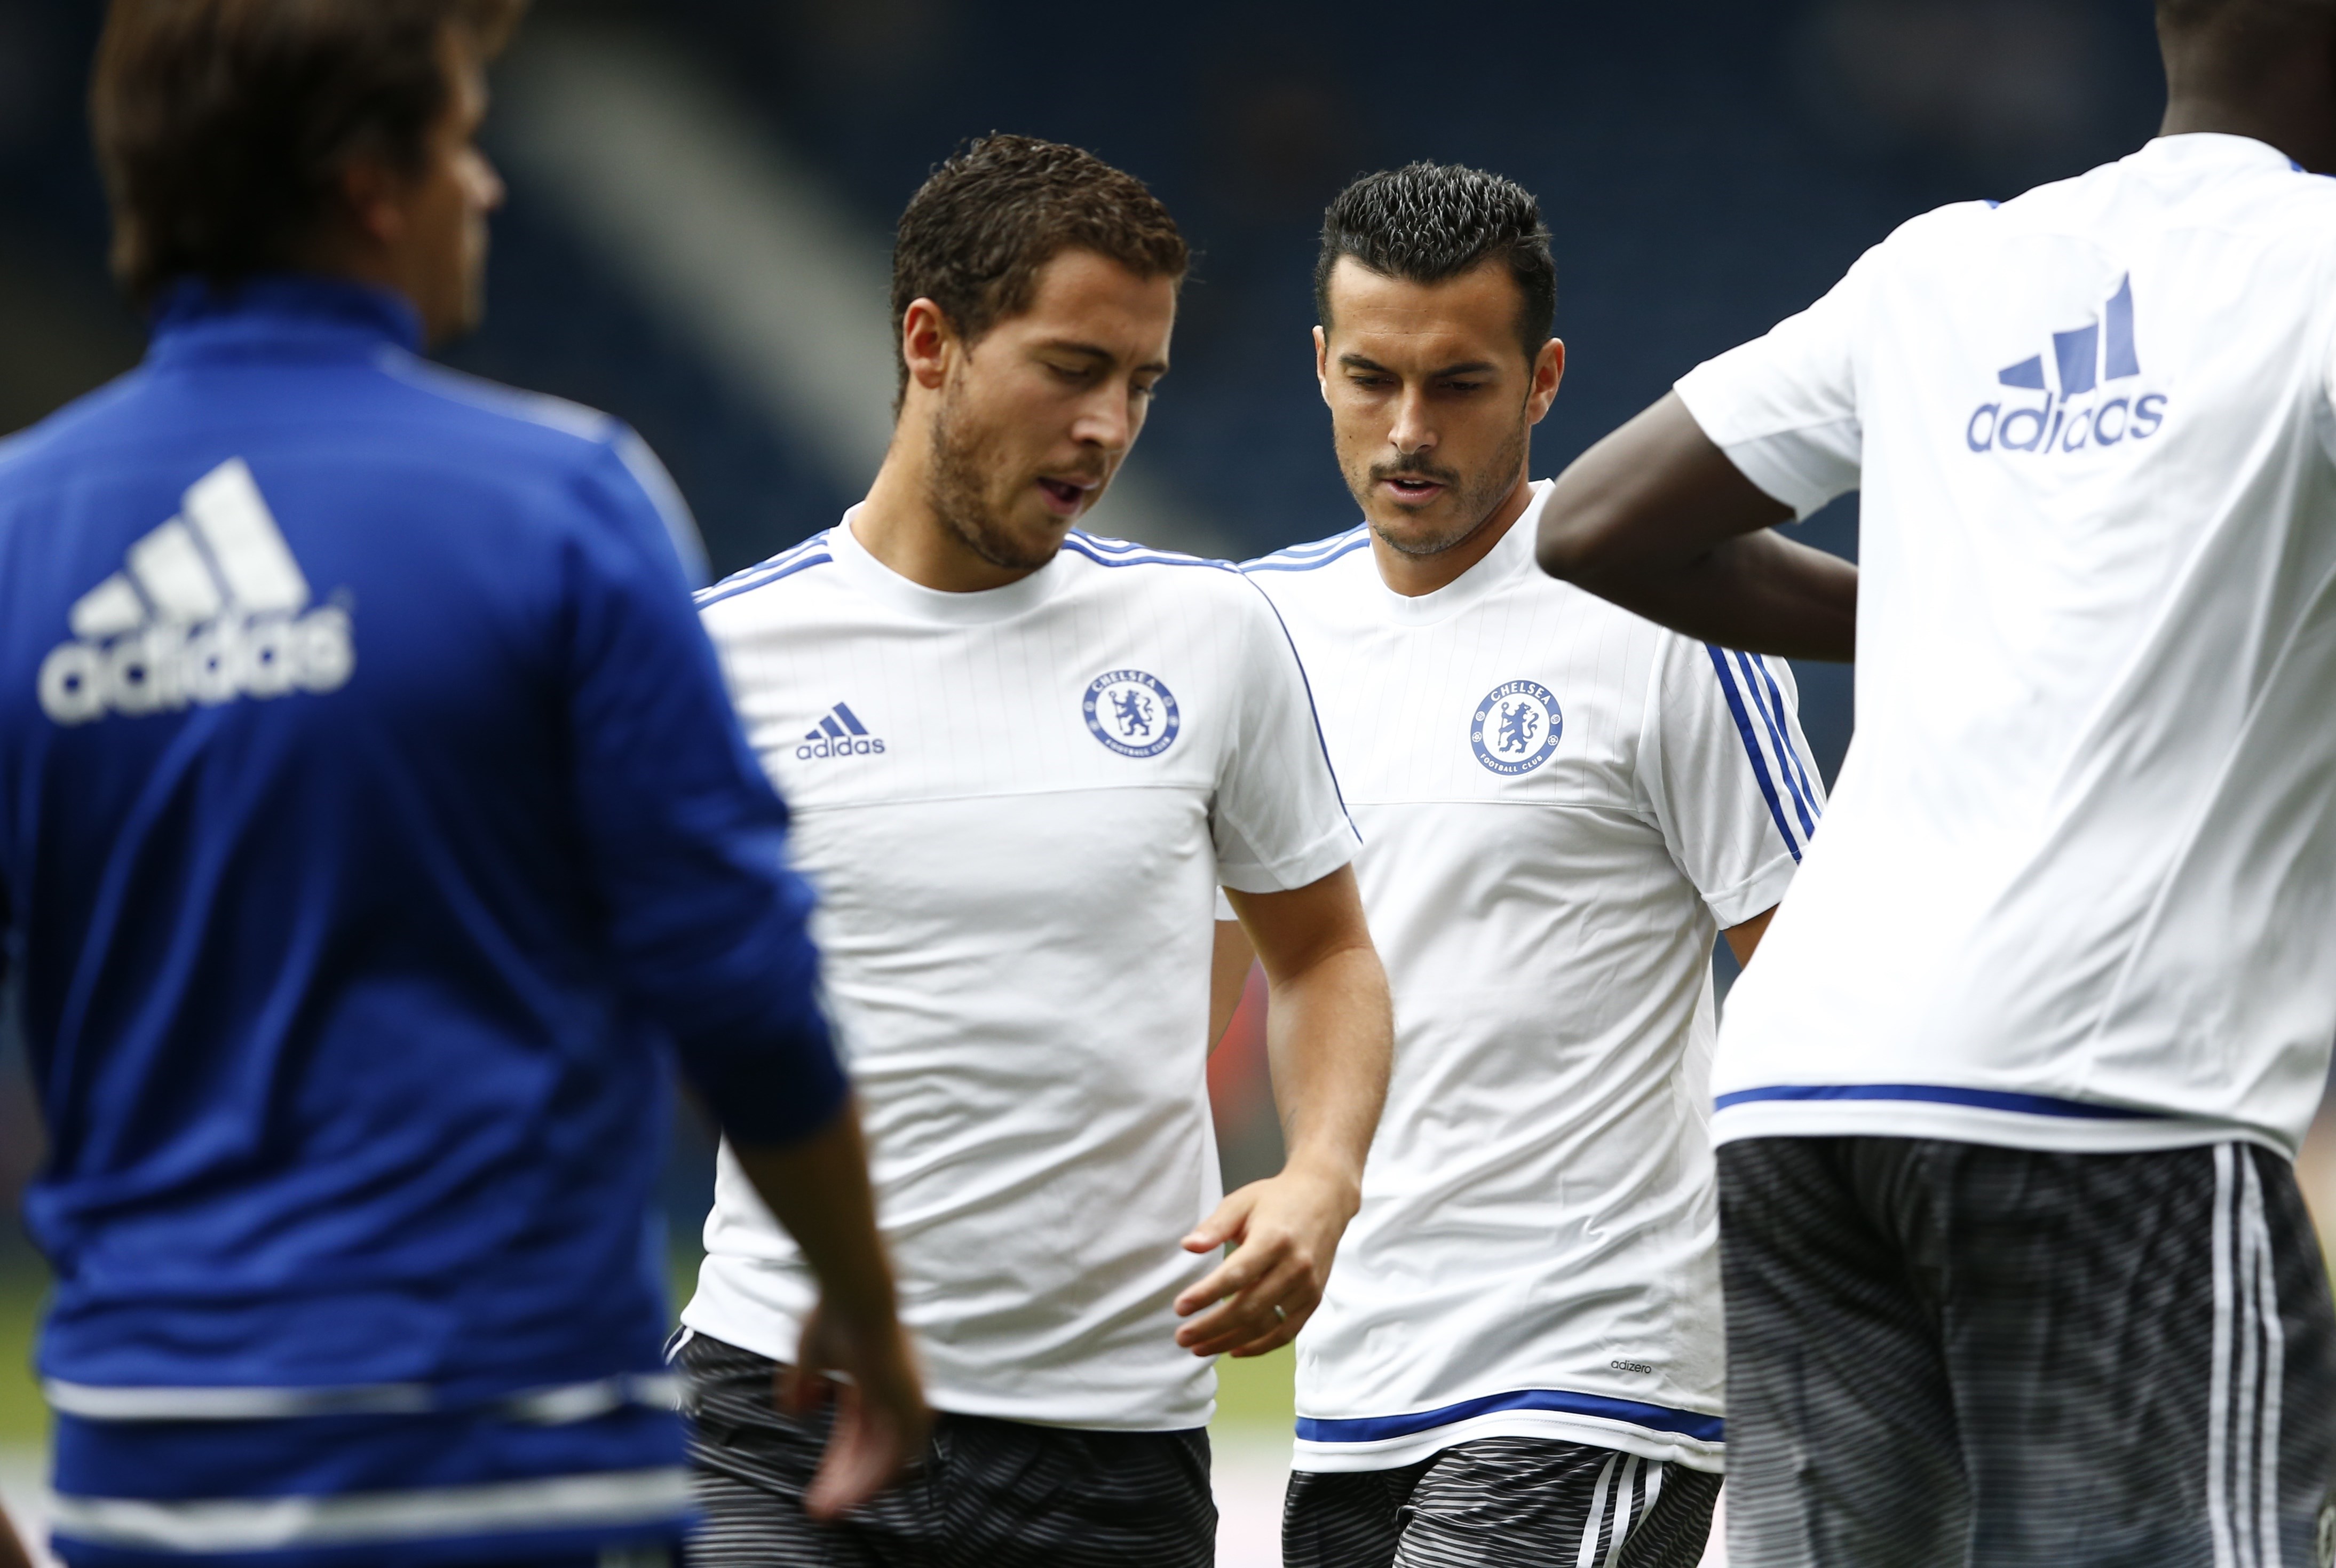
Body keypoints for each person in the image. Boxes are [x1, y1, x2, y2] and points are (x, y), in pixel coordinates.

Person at [0, 3, 924, 1564]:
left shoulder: (20, 537)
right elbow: (736, 978)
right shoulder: (563, 504)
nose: (485, 187)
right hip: (517, 1471)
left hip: (147, 1480)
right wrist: (870, 1311)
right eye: (459, 139)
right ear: (371, 183)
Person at [1533, 0, 2336, 1561]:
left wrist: (1953, 610)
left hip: (1802, 1093)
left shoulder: (1944, 266)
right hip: (2114, 1098)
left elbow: (1595, 522)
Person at [674, 133, 1395, 1567]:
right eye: (1072, 367)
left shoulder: (1210, 637)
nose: (1108, 428)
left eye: (1140, 385)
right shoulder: (722, 655)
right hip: (776, 1408)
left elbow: (1324, 949)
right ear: (930, 343)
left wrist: (1319, 1174)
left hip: (1109, 1449)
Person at [1221, 162, 1823, 1568]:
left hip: (1596, 1363)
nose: (1408, 430)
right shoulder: (1258, 634)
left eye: (1462, 384)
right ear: (1317, 365)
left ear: (1544, 379)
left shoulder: (1670, 617)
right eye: (1371, 378)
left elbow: (1809, 974)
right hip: (1351, 1377)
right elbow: (1188, 983)